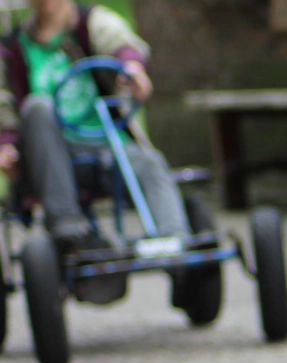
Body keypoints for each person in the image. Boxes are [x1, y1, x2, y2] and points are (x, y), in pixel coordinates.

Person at [0, 0, 190, 253]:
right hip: (52, 155)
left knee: (149, 162)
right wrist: (6, 145)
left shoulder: (90, 22)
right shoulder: (14, 46)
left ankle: (176, 241)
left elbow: (120, 41)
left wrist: (132, 67)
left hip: (107, 142)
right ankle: (65, 224)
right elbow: (5, 103)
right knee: (38, 107)